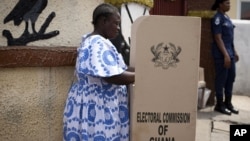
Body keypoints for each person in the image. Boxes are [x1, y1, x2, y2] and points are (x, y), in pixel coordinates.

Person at [63, 3, 135, 141]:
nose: (118, 28)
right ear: (103, 21)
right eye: (116, 23)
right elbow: (113, 76)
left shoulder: (93, 41)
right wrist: (145, 76)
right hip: (98, 109)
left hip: (93, 103)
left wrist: (148, 69)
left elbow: (122, 68)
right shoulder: (97, 43)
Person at [211, 0, 239, 115]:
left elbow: (230, 38)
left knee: (230, 78)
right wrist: (226, 55)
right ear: (220, 4)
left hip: (230, 54)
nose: (229, 5)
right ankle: (219, 104)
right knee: (221, 79)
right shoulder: (218, 18)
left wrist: (234, 51)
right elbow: (218, 38)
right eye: (227, 3)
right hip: (222, 55)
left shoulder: (226, 17)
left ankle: (228, 103)